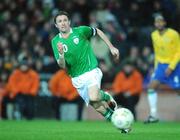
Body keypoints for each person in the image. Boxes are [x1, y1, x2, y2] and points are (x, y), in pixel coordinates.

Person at [50, 11, 124, 131]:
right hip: (76, 78)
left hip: (91, 70)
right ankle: (117, 122)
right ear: (56, 25)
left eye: (64, 20)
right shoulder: (55, 41)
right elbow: (62, 65)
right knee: (96, 106)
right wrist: (61, 55)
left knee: (94, 96)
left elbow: (98, 31)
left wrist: (111, 47)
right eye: (59, 21)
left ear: (69, 22)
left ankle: (106, 96)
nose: (63, 23)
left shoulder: (80, 31)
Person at [144, 14, 180, 123]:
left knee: (178, 90)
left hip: (174, 66)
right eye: (156, 22)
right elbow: (157, 52)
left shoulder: (173, 34)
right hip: (160, 66)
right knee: (151, 87)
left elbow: (179, 51)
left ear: (165, 23)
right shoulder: (153, 35)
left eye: (161, 21)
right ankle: (154, 115)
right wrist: (156, 68)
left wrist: (171, 66)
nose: (158, 24)